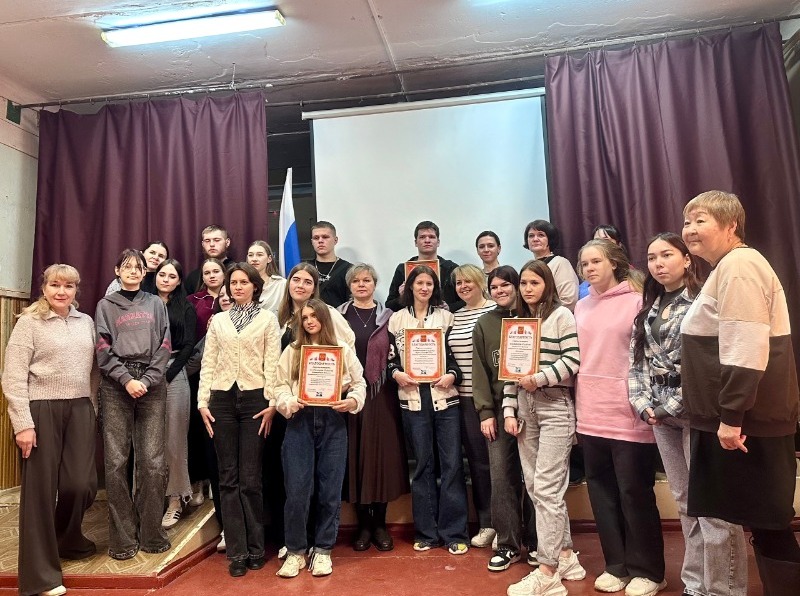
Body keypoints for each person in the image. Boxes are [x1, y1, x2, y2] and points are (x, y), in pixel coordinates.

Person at [680, 191, 800, 594]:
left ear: (731, 225)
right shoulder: (729, 267)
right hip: (742, 419)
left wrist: (731, 417)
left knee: (769, 524)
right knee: (764, 524)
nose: (690, 230)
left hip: (747, 424)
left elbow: (746, 348)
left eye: (701, 220)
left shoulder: (740, 266)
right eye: (687, 221)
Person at [629, 232, 747, 596]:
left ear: (686, 259)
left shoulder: (702, 301)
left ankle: (725, 589)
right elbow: (637, 363)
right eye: (652, 258)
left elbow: (707, 364)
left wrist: (668, 405)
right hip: (660, 415)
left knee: (712, 506)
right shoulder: (648, 308)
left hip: (697, 412)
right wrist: (643, 404)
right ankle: (695, 584)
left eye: (666, 255)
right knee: (684, 501)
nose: (658, 263)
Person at [574, 239, 665, 596]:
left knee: (634, 492)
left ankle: (649, 571)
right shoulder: (580, 306)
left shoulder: (638, 301)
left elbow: (648, 358)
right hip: (590, 412)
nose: (589, 268)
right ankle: (617, 565)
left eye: (596, 261)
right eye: (584, 264)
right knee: (602, 492)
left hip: (629, 413)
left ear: (614, 263)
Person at [2, 264, 99, 596]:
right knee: (40, 493)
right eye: (55, 285)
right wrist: (23, 424)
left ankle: (66, 539)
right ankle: (40, 577)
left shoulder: (86, 322)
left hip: (81, 409)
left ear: (76, 290)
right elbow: (14, 376)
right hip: (41, 410)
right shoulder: (29, 323)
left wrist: (90, 406)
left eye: (68, 286)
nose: (62, 291)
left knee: (81, 484)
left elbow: (94, 370)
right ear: (44, 288)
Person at [503, 259, 585, 596]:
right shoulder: (518, 323)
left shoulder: (561, 315)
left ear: (547, 284)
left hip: (554, 405)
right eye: (523, 283)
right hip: (525, 408)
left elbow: (573, 360)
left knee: (549, 490)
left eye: (534, 282)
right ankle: (566, 556)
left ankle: (548, 572)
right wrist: (509, 410)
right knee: (537, 488)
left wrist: (539, 378)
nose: (527, 288)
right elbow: (510, 372)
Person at [198, 263, 281, 577]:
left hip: (255, 401)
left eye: (244, 282)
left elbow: (272, 363)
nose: (238, 287)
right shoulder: (219, 320)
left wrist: (272, 402)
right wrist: (202, 401)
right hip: (221, 400)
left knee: (250, 478)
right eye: (233, 282)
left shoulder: (267, 319)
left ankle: (256, 548)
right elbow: (209, 361)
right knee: (227, 478)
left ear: (255, 286)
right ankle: (237, 552)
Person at [275, 299, 366, 577]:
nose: (310, 321)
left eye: (315, 316)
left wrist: (352, 401)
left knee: (330, 491)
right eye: (305, 318)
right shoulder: (293, 350)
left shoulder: (342, 350)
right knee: (297, 491)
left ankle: (324, 550)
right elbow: (279, 387)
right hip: (299, 421)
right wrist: (289, 402)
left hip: (332, 421)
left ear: (325, 319)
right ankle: (295, 552)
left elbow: (360, 383)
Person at [95, 248, 172, 560]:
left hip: (152, 385)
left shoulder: (155, 303)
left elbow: (165, 344)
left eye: (138, 267)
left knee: (152, 463)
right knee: (116, 463)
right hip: (116, 386)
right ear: (117, 271)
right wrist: (126, 379)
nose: (133, 271)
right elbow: (102, 347)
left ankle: (152, 533)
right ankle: (123, 540)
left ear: (144, 272)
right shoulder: (106, 305)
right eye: (126, 266)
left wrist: (148, 379)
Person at [387, 265, 468, 555]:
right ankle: (426, 533)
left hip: (444, 397)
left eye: (429, 284)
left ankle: (454, 533)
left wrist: (452, 376)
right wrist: (396, 374)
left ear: (435, 288)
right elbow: (390, 360)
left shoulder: (447, 318)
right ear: (410, 286)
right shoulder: (396, 319)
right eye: (419, 283)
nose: (424, 288)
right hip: (412, 399)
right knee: (423, 465)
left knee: (452, 465)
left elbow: (456, 359)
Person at [337, 264, 409, 552]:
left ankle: (380, 524)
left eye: (367, 280)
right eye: (356, 280)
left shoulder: (389, 317)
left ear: (375, 284)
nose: (361, 284)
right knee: (355, 458)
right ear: (349, 285)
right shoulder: (338, 316)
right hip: (349, 395)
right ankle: (363, 526)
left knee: (381, 458)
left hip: (382, 396)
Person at [472, 266, 536, 572]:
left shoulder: (533, 316)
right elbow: (480, 370)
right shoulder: (484, 323)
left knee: (535, 477)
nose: (500, 291)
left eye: (505, 285)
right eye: (494, 287)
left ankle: (536, 542)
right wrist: (485, 411)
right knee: (501, 477)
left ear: (517, 286)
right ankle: (508, 544)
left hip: (535, 404)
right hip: (498, 408)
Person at [450, 264, 496, 548]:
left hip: (491, 399)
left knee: (500, 464)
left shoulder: (494, 311)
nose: (464, 286)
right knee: (478, 464)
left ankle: (507, 524)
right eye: (458, 283)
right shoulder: (455, 317)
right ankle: (487, 522)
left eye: (468, 281)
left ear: (481, 282)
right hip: (464, 400)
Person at [185, 286, 233, 552]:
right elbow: (195, 365)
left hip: (247, 404)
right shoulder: (212, 330)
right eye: (222, 296)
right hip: (214, 404)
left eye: (230, 294)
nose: (226, 298)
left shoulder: (260, 322)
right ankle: (227, 528)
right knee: (218, 469)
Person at [154, 259, 198, 529]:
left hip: (174, 371)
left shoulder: (186, 306)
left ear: (179, 281)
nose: (166, 279)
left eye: (172, 276)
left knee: (174, 439)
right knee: (149, 440)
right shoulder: (144, 303)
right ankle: (149, 499)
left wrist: (170, 374)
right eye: (162, 274)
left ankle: (175, 500)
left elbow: (190, 345)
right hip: (145, 373)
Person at [386, 220, 463, 311]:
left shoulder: (451, 268)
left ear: (438, 242)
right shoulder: (402, 269)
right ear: (416, 242)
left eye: (431, 237)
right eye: (422, 237)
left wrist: (450, 307)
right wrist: (402, 297)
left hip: (444, 318)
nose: (427, 240)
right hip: (410, 318)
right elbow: (389, 306)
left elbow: (465, 300)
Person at [523, 220, 579, 311]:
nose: (535, 239)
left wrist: (542, 314)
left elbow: (569, 300)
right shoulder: (527, 268)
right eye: (531, 236)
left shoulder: (560, 263)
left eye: (541, 235)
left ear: (550, 239)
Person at [306, 221, 352, 307]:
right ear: (312, 242)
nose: (320, 241)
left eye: (325, 237)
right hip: (309, 314)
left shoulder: (349, 269)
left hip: (338, 314)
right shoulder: (305, 268)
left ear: (335, 240)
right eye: (316, 238)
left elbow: (352, 302)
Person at [578, 226, 625, 300]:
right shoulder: (583, 294)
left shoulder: (632, 288)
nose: (600, 244)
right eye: (585, 264)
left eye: (596, 261)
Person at [185, 225, 234, 293]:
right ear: (203, 244)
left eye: (217, 240)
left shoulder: (237, 271)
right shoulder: (193, 277)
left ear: (227, 242)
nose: (212, 244)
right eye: (207, 241)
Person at [188, 258, 226, 341]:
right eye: (207, 273)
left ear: (224, 275)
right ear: (203, 278)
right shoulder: (191, 300)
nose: (212, 276)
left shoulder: (233, 299)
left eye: (216, 271)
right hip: (198, 346)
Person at [247, 240, 286, 316]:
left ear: (269, 259)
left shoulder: (281, 284)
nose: (254, 259)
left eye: (259, 255)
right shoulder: (241, 283)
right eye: (250, 255)